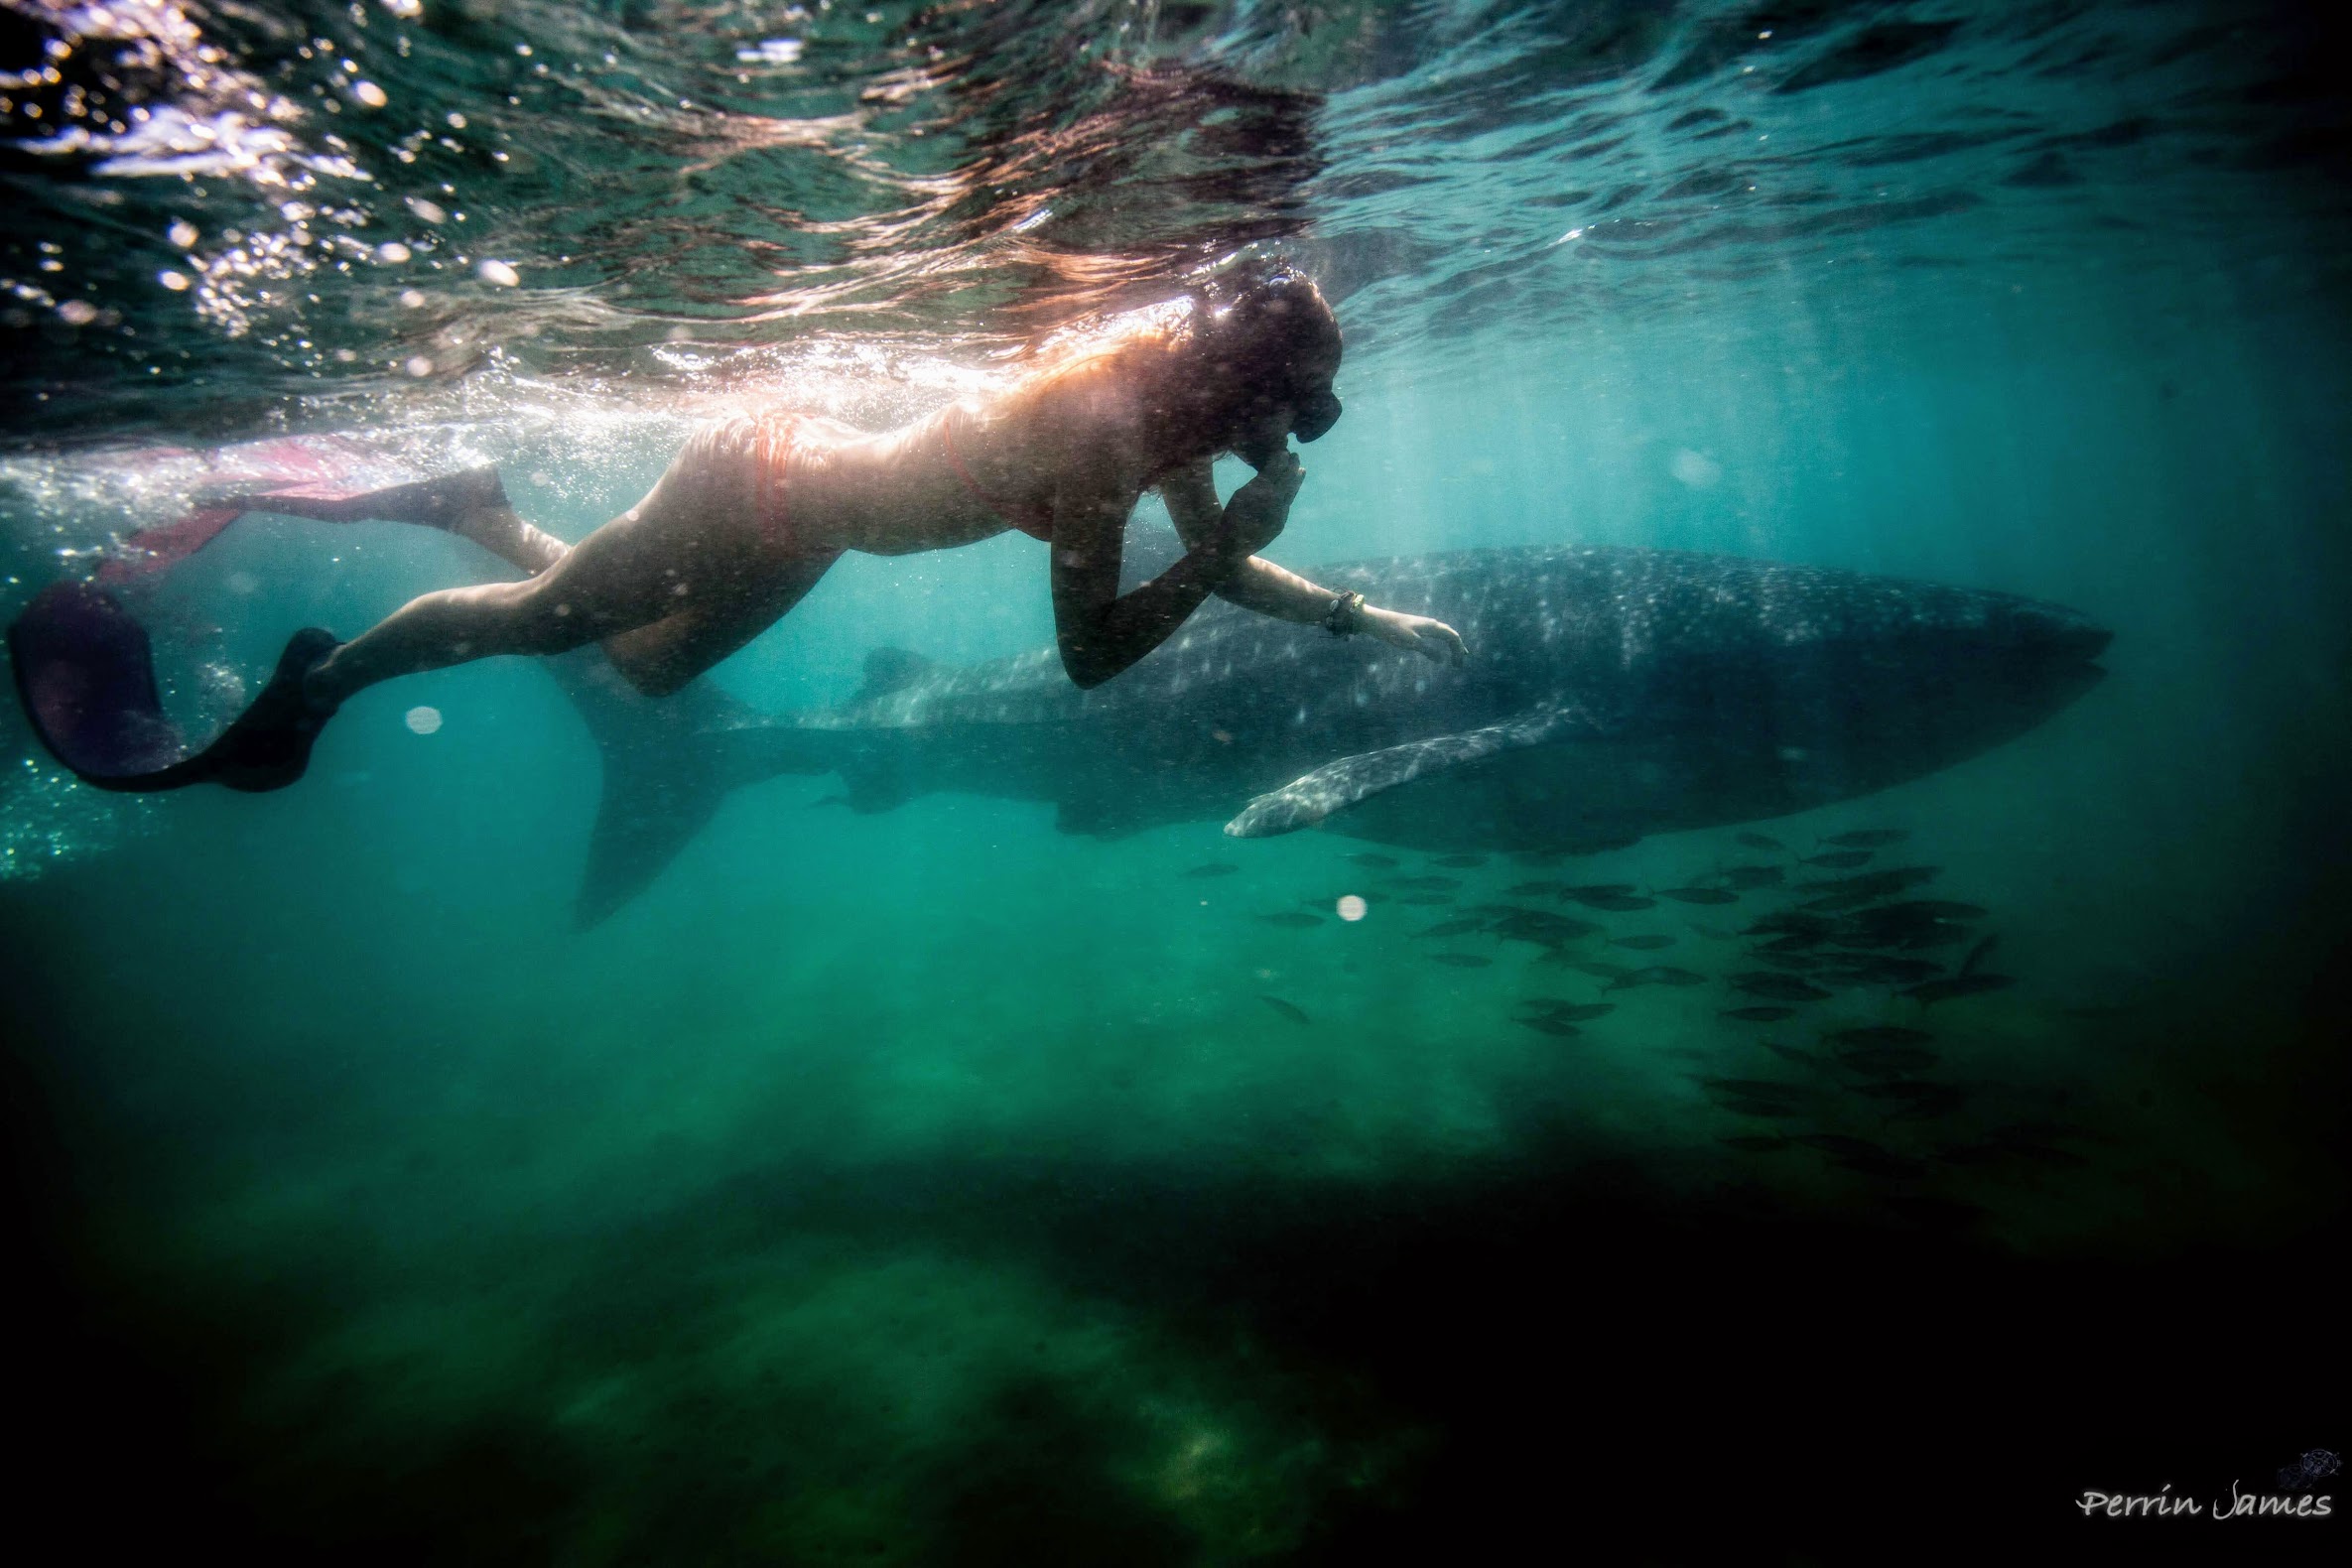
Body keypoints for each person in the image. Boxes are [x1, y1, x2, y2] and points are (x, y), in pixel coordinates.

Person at [11, 263, 1467, 792]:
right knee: (539, 626)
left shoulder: (1161, 426)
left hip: (809, 528)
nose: (1295, 435)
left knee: (638, 662)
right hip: (754, 484)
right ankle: (312, 693)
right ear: (1238, 384)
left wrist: (1354, 615)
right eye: (1299, 405)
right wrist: (1220, 547)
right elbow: (1095, 655)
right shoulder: (1101, 443)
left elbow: (1211, 560)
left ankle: (479, 511)